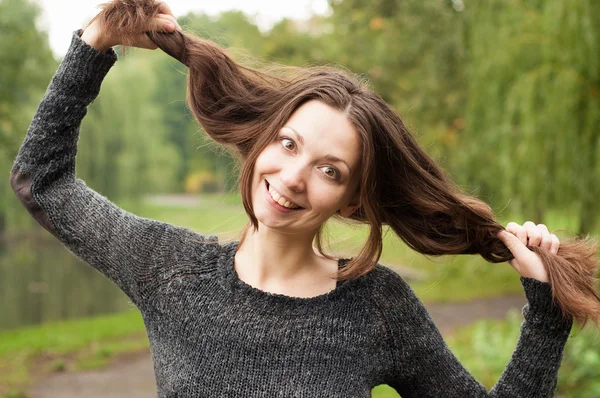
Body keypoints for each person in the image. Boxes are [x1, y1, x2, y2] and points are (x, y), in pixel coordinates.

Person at [10, 1, 596, 397]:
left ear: (350, 199)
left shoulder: (378, 307)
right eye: (288, 144)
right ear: (263, 143)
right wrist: (94, 43)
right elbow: (44, 180)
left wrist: (545, 312)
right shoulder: (168, 268)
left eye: (329, 169)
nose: (292, 176)